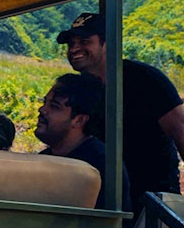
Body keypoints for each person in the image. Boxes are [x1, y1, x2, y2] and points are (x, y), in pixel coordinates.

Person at [59, 12, 184, 211]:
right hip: (100, 201)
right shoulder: (78, 90)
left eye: (84, 41)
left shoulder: (146, 80)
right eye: (70, 44)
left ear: (107, 43)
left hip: (151, 201)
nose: (74, 49)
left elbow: (183, 132)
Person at [34, 73, 131, 213]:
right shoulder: (44, 158)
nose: (42, 110)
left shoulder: (103, 166)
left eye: (54, 106)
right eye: (44, 102)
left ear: (79, 120)